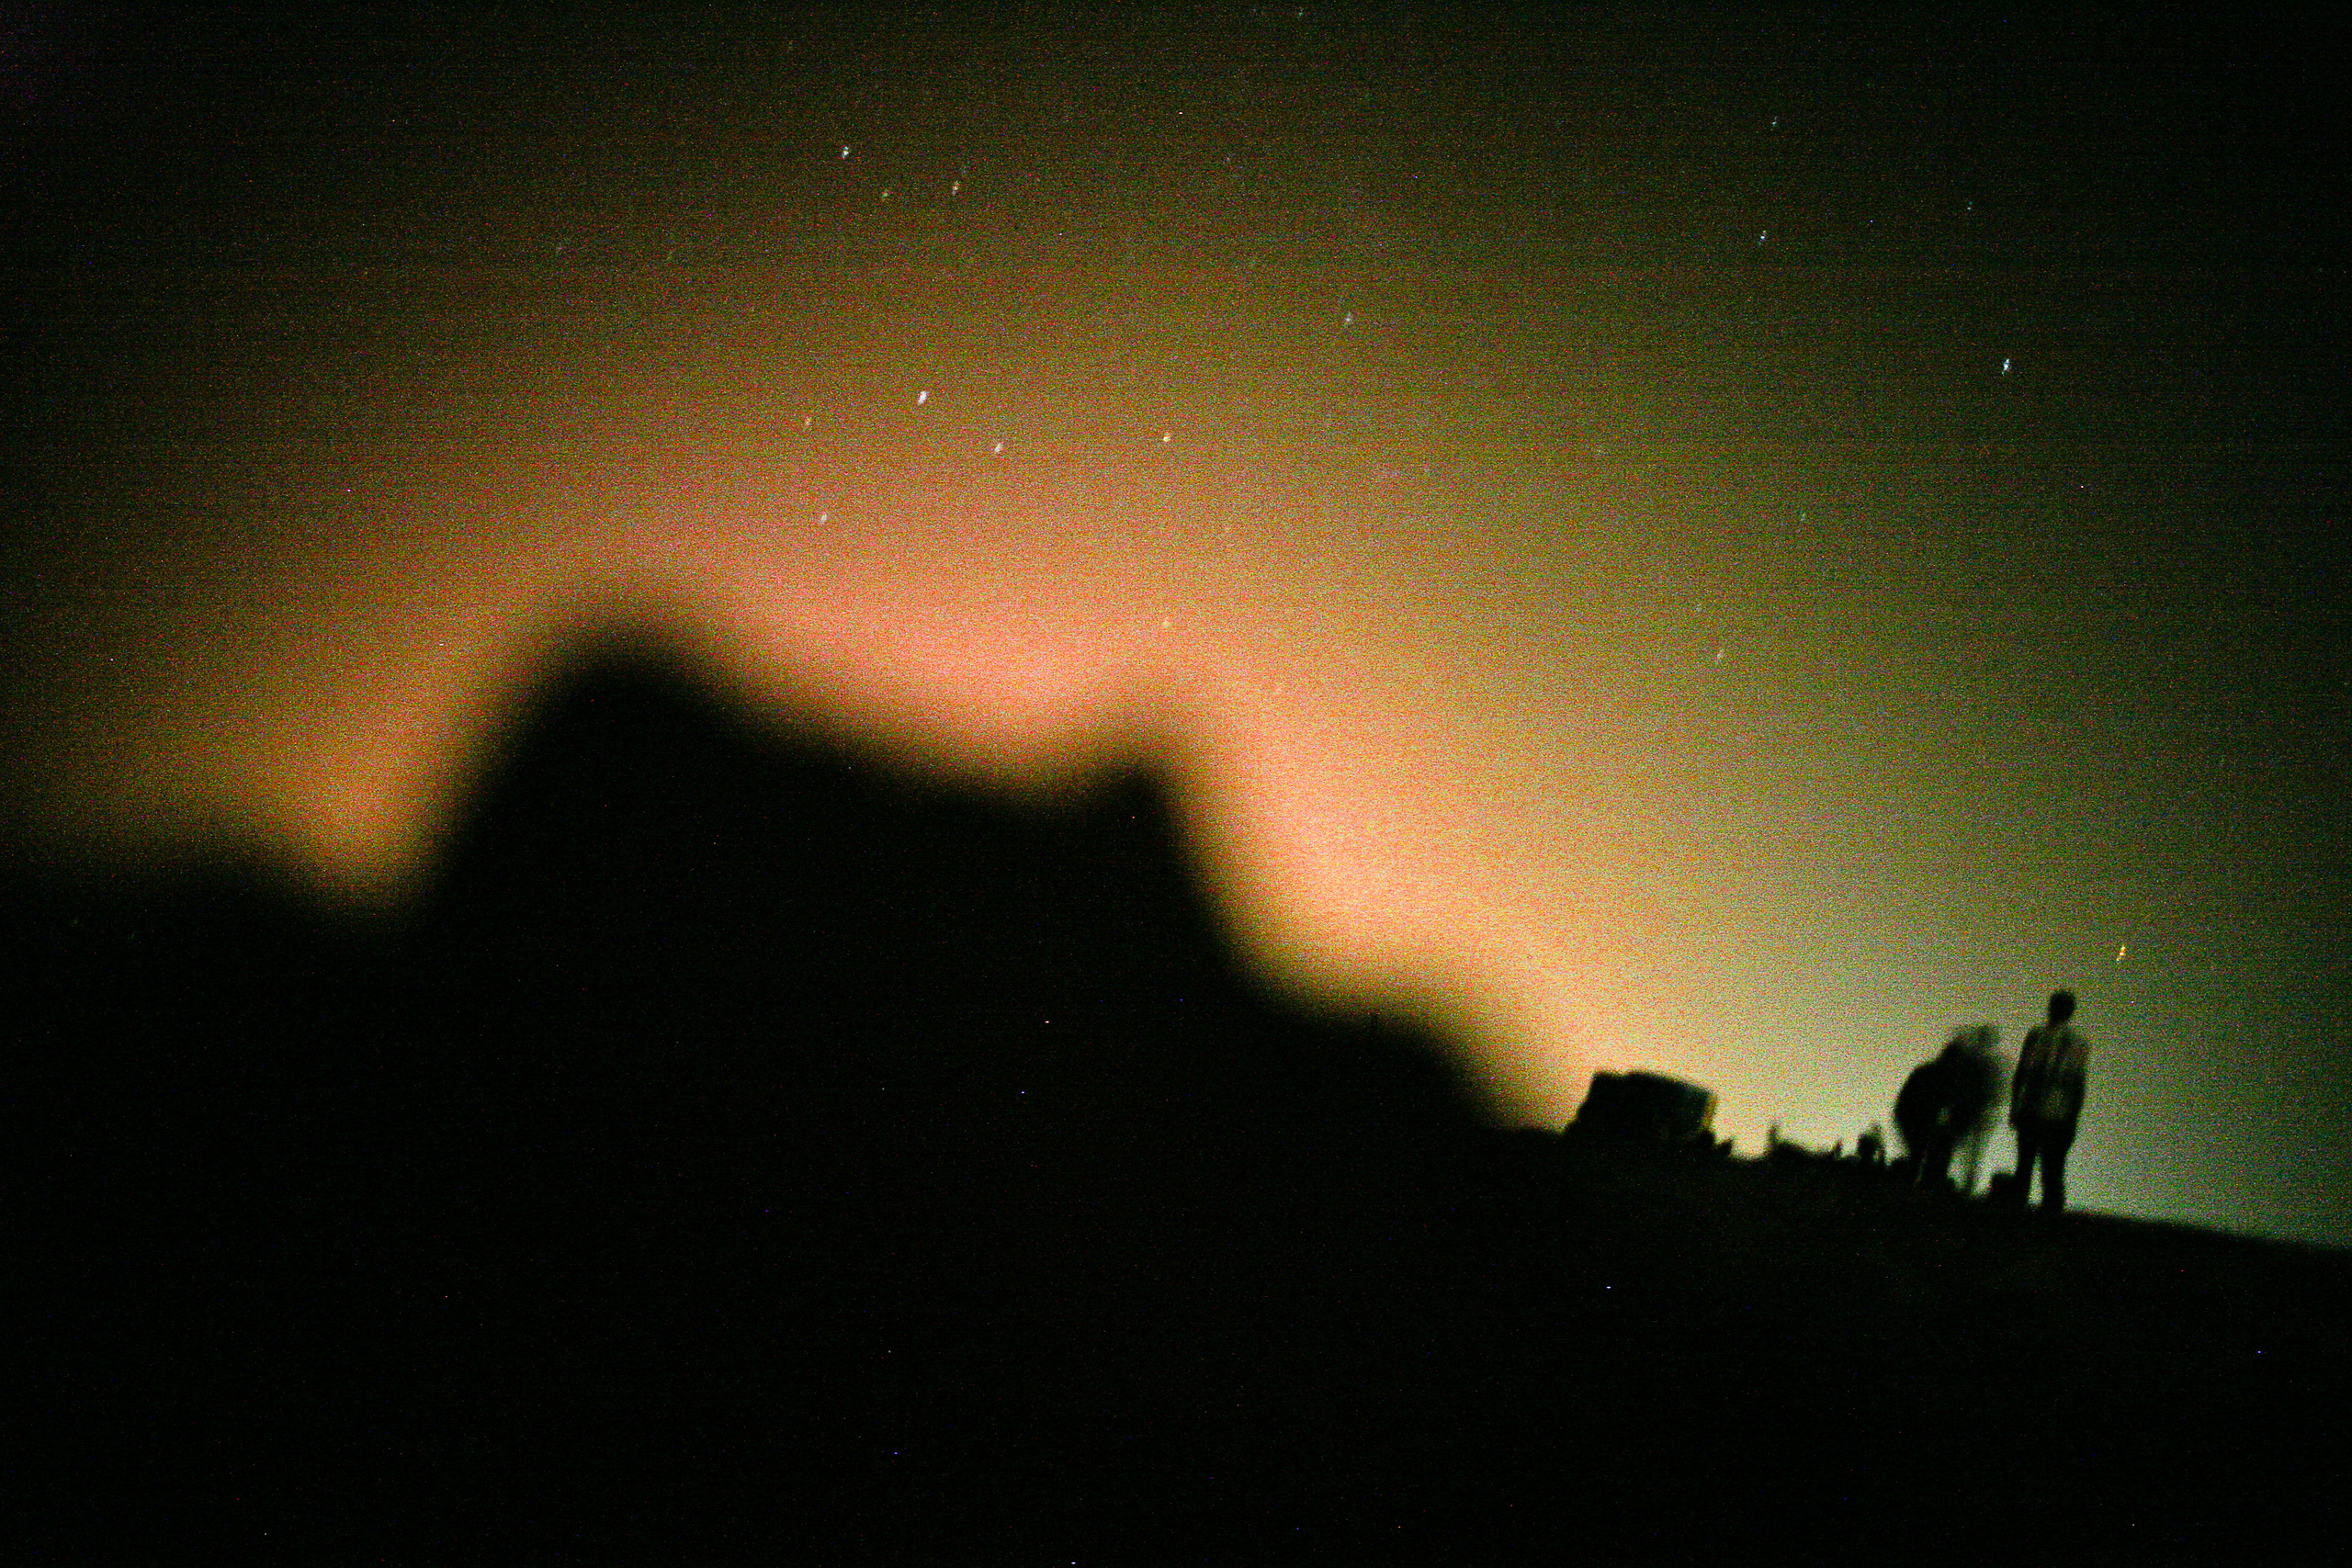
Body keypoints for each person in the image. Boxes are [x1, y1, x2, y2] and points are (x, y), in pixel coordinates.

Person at [2009, 990, 2089, 1212]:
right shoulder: (2075, 1042)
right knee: (2049, 1167)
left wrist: (2016, 1106)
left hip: (2041, 1108)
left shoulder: (2042, 1037)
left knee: (2031, 1164)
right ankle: (2049, 1210)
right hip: (2052, 1110)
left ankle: (2026, 1207)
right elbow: (2077, 1083)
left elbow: (2023, 1072)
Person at [1894, 1036, 1996, 1190]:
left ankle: (1920, 1184)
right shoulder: (1940, 1075)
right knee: (1922, 1152)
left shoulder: (1933, 1072)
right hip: (1916, 1117)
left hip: (1916, 1117)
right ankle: (1921, 1184)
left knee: (1923, 1153)